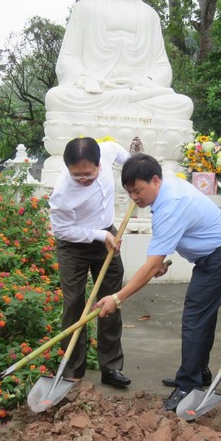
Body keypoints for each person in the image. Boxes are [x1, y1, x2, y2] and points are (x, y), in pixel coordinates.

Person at [95, 153, 221, 411]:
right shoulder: (168, 189)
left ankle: (187, 386)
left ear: (155, 180)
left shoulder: (170, 203)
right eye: (129, 192)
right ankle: (198, 371)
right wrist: (160, 262)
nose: (134, 198)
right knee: (202, 316)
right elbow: (179, 233)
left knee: (195, 317)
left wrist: (117, 298)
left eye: (138, 190)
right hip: (217, 254)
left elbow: (151, 264)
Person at [45, 0, 193, 120]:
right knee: (56, 98)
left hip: (138, 95)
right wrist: (84, 79)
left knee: (183, 104)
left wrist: (141, 81)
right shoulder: (85, 8)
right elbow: (68, 57)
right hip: (95, 94)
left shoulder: (149, 15)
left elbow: (161, 66)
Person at [49, 137, 132, 388]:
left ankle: (112, 368)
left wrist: (134, 166)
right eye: (77, 175)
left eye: (89, 173)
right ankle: (73, 369)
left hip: (107, 235)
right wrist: (99, 235)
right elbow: (62, 230)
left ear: (99, 164)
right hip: (74, 245)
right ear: (68, 169)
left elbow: (118, 151)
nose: (84, 179)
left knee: (111, 301)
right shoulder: (63, 192)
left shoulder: (105, 152)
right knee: (74, 303)